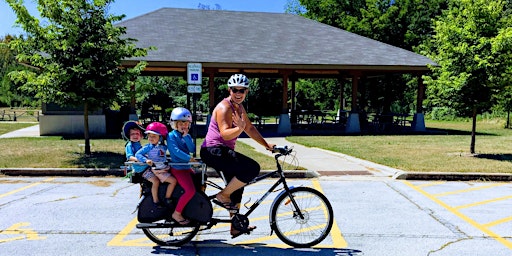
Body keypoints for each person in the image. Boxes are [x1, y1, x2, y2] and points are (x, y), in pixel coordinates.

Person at [200, 73, 275, 238]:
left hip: (221, 150)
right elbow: (225, 134)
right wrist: (239, 128)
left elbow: (249, 128)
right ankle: (222, 196)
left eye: (242, 90)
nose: (239, 93)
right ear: (229, 90)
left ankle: (235, 227)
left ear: (247, 91)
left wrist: (266, 145)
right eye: (235, 90)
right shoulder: (224, 107)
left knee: (237, 186)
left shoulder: (239, 108)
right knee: (252, 168)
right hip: (213, 150)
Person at [166, 107, 197, 225]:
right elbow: (175, 151)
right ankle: (177, 213)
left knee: (200, 182)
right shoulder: (171, 136)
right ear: (175, 124)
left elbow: (192, 149)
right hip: (178, 169)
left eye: (186, 123)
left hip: (186, 167)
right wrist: (189, 158)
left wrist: (186, 137)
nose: (184, 125)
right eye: (181, 123)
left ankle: (191, 208)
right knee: (190, 190)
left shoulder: (186, 136)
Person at [136, 122, 177, 208]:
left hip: (164, 168)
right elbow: (138, 154)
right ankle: (166, 198)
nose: (151, 138)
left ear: (160, 137)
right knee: (173, 181)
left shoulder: (163, 147)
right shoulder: (148, 147)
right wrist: (146, 160)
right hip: (158, 171)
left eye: (154, 136)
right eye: (149, 136)